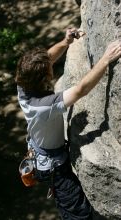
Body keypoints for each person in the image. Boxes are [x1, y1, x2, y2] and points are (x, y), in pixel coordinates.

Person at [15, 28, 121, 220]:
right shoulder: (43, 106)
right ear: (44, 78)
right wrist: (106, 58)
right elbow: (81, 90)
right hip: (55, 169)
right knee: (78, 215)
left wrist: (66, 42)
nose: (51, 66)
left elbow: (47, 57)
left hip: (41, 153)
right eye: (49, 69)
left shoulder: (23, 83)